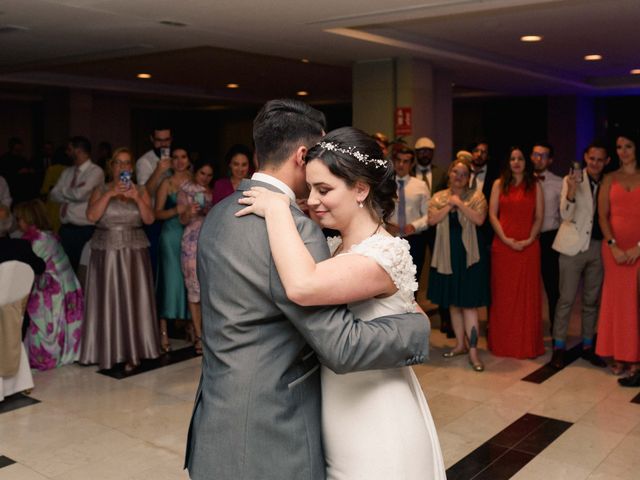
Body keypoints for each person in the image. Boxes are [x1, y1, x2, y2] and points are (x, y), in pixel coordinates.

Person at [184, 100, 432, 480]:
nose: (314, 197)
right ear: (302, 155)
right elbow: (340, 344)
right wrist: (417, 328)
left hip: (218, 413)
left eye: (325, 187)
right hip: (273, 425)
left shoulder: (220, 213)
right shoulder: (296, 229)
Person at [80, 148, 159, 372]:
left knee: (134, 300)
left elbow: (150, 219)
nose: (123, 167)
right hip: (106, 250)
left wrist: (137, 199)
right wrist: (110, 194)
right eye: (118, 163)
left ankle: (134, 352)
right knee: (108, 300)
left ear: (131, 168)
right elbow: (91, 217)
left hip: (134, 249)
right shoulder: (100, 189)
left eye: (127, 163)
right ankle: (106, 350)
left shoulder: (141, 190)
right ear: (111, 166)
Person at [550, 142, 610, 369]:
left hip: (597, 247)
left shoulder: (608, 181)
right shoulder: (571, 180)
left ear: (606, 162)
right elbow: (565, 214)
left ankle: (588, 345)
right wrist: (573, 191)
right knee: (565, 300)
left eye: (599, 159)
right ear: (585, 157)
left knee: (591, 300)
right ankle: (559, 347)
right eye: (591, 158)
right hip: (571, 246)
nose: (594, 163)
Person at [427, 158, 489, 371]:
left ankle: (473, 351)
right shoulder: (439, 197)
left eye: (464, 173)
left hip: (470, 257)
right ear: (449, 174)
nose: (459, 177)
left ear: (469, 177)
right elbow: (432, 220)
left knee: (469, 304)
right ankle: (460, 345)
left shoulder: (476, 196)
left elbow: (480, 220)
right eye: (456, 172)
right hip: (447, 256)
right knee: (453, 303)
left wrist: (460, 204)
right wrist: (449, 204)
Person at [488, 147, 544, 359]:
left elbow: (539, 216)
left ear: (525, 162)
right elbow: (493, 215)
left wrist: (530, 239)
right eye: (512, 158)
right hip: (503, 247)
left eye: (520, 158)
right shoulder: (498, 184)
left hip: (528, 247)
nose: (516, 162)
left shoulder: (535, 185)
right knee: (504, 297)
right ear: (508, 162)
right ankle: (504, 345)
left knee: (527, 299)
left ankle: (526, 346)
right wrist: (505, 239)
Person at [13, 200, 83, 370]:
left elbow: (32, 268)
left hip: (54, 288)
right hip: (67, 285)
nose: (18, 223)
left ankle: (45, 355)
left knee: (42, 322)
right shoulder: (48, 235)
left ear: (28, 219)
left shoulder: (38, 241)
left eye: (19, 219)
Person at [596, 133, 640, 386]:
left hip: (638, 250)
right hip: (613, 250)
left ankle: (635, 357)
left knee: (635, 302)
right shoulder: (610, 178)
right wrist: (613, 246)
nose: (623, 151)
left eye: (628, 146)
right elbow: (603, 216)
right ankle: (618, 354)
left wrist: (638, 248)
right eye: (619, 147)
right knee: (616, 302)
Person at [155, 146, 191, 353]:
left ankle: (190, 326)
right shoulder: (166, 183)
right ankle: (163, 331)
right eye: (175, 157)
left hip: (191, 235)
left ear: (188, 159)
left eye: (183, 156)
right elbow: (155, 214)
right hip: (170, 235)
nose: (179, 161)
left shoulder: (194, 180)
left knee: (190, 282)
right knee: (170, 281)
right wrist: (174, 210)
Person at [49, 136, 104, 271]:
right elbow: (53, 195)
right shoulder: (67, 171)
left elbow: (81, 195)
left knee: (83, 270)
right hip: (65, 228)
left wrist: (63, 191)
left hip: (84, 230)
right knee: (64, 269)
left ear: (78, 151)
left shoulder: (96, 171)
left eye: (70, 149)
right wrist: (71, 192)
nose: (67, 152)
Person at [178, 159, 214, 355]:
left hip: (209, 239)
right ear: (195, 173)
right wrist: (188, 211)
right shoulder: (186, 190)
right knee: (193, 287)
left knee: (208, 286)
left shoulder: (213, 192)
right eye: (202, 174)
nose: (205, 178)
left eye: (209, 175)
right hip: (191, 241)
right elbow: (181, 220)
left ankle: (206, 333)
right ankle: (199, 336)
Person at [531, 141, 562, 331]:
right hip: (527, 238)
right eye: (535, 154)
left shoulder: (559, 183)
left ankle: (555, 328)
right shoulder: (522, 180)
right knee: (528, 286)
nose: (538, 159)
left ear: (550, 160)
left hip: (550, 237)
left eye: (543, 156)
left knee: (552, 287)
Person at [387, 147, 430, 281]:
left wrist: (414, 226)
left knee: (412, 280)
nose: (401, 164)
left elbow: (428, 215)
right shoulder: (385, 185)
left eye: (405, 161)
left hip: (414, 240)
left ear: (411, 164)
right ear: (393, 161)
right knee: (390, 280)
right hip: (389, 238)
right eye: (398, 160)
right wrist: (385, 224)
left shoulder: (421, 185)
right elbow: (375, 212)